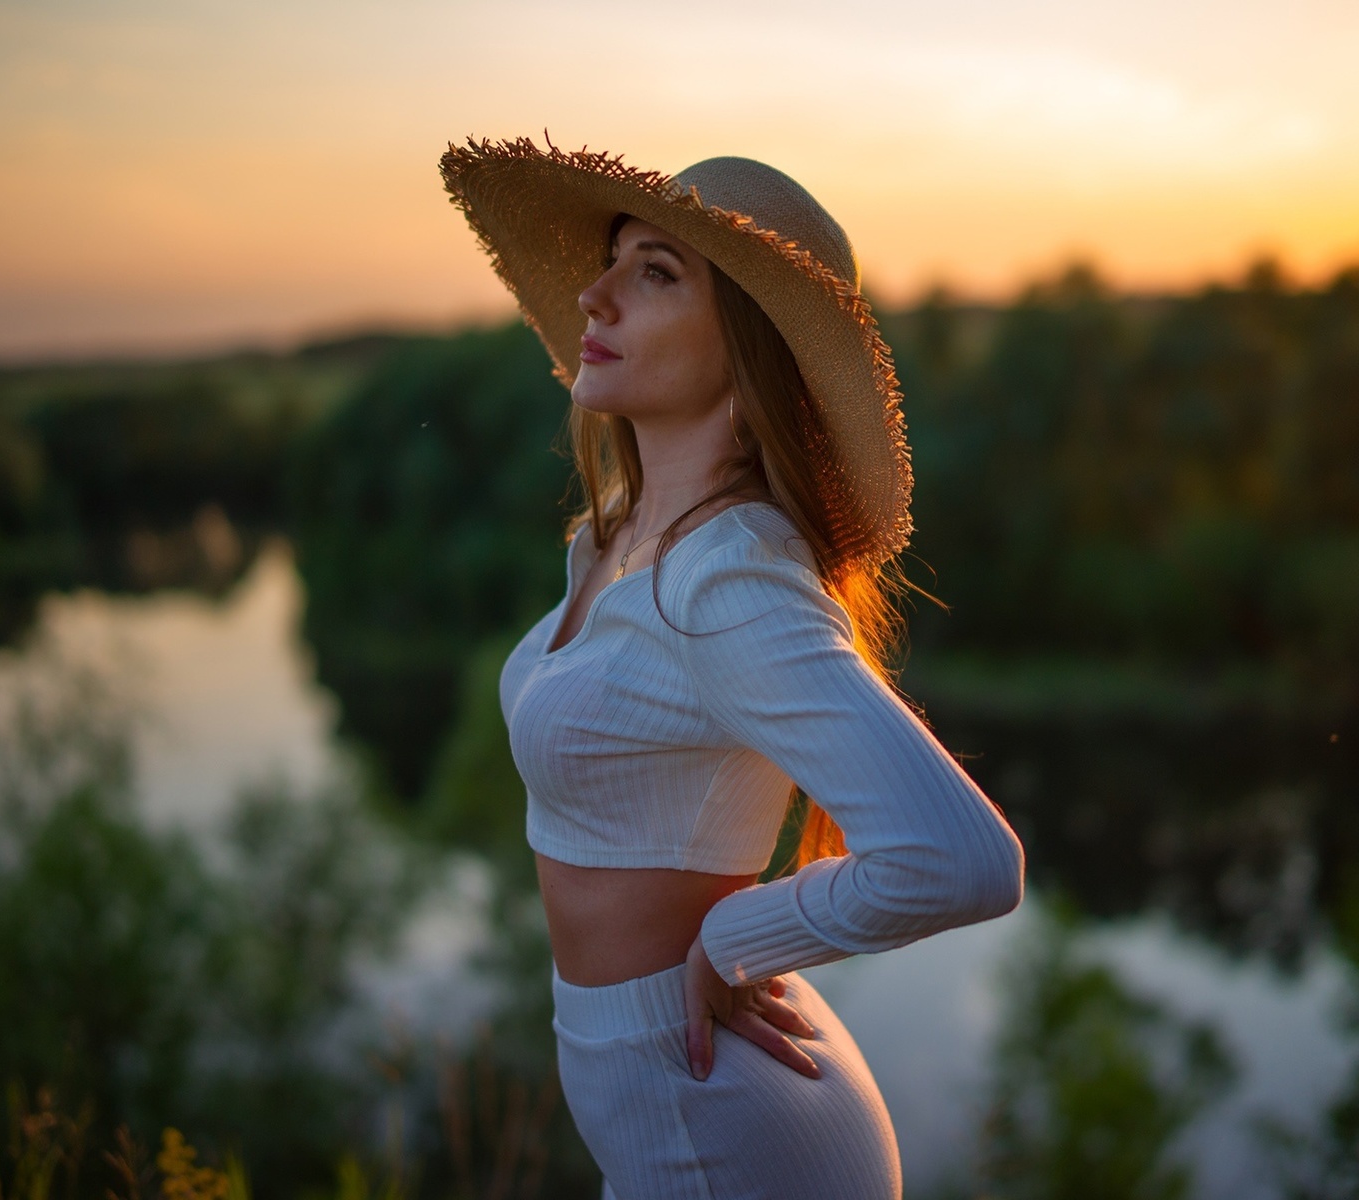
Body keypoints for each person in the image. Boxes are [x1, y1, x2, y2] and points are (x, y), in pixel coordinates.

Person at [440, 137, 1026, 1200]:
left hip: (720, 1125)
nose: (596, 292)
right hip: (670, 1100)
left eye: (656, 273)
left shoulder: (728, 579)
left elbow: (963, 857)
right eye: (611, 258)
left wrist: (735, 938)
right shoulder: (618, 542)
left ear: (750, 356)